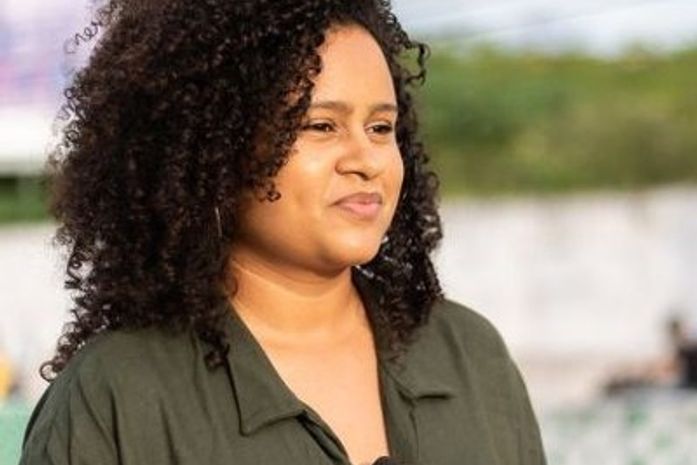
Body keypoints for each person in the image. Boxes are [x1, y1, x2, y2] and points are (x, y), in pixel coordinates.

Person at [20, 1, 546, 464]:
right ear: (216, 150)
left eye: (381, 128)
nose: (366, 160)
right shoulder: (116, 398)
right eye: (321, 126)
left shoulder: (471, 356)